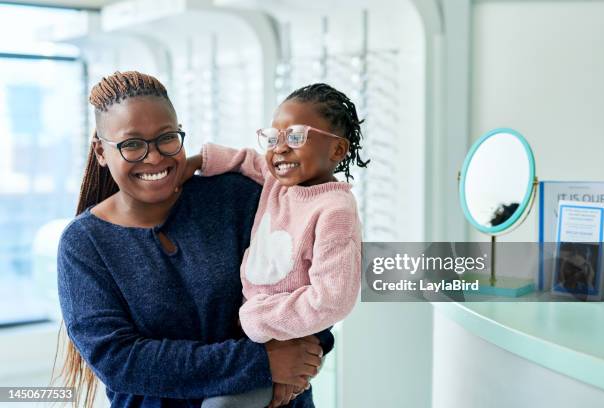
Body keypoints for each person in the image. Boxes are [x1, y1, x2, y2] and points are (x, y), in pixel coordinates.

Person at [54, 71, 333, 408]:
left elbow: (311, 279)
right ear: (101, 150)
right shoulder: (84, 244)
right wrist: (260, 364)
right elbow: (120, 360)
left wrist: (300, 362)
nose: (154, 157)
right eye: (132, 144)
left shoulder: (236, 197)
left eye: (166, 138)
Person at [185, 83, 369, 408]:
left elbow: (333, 299)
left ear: (337, 151)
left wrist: (259, 321)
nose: (280, 149)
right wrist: (197, 160)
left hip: (280, 334)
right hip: (251, 334)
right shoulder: (277, 182)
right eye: (274, 138)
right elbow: (245, 160)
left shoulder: (335, 211)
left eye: (296, 137)